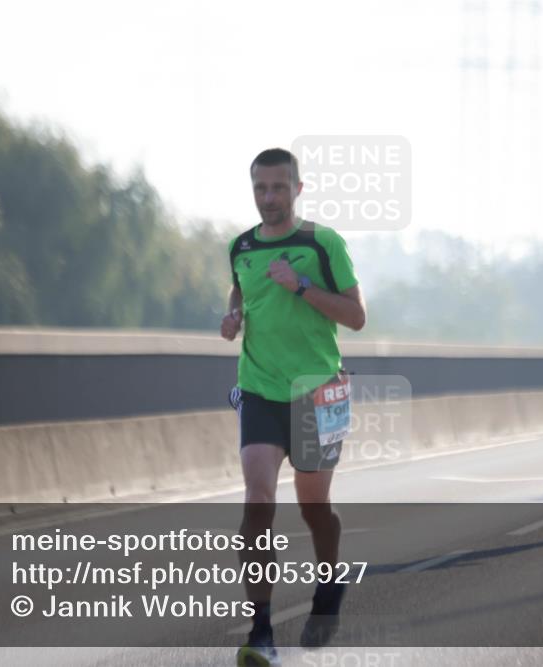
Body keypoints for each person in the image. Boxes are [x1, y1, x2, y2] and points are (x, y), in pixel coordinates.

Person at [221, 148, 366, 666]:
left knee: (313, 509)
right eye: (261, 188)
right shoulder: (240, 246)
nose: (269, 198)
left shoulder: (322, 244)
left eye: (279, 188)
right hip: (258, 387)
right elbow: (242, 293)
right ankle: (261, 633)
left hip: (317, 391)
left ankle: (330, 584)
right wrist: (233, 316)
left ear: (298, 189)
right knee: (257, 504)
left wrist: (301, 286)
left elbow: (356, 317)